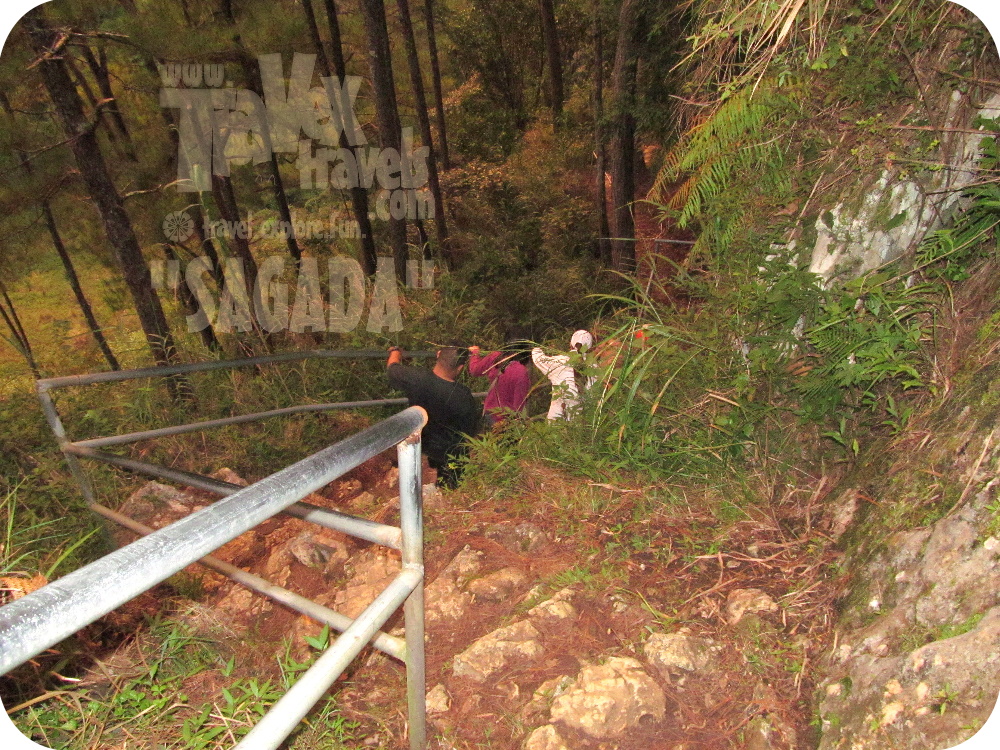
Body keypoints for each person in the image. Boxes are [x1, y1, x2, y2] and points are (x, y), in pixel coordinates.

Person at [386, 346, 481, 488]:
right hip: (449, 453)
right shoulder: (463, 395)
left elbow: (392, 368)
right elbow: (470, 430)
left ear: (438, 355)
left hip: (423, 444)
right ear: (460, 368)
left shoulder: (417, 379)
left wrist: (395, 351)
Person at [532, 329, 594, 420]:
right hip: (581, 423)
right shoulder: (595, 369)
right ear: (590, 348)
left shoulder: (559, 362)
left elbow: (538, 359)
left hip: (557, 422)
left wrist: (536, 348)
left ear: (570, 344)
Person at [467, 341, 531, 426]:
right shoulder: (521, 372)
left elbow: (475, 370)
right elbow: (519, 405)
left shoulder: (495, 356)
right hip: (505, 420)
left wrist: (475, 353)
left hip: (490, 412)